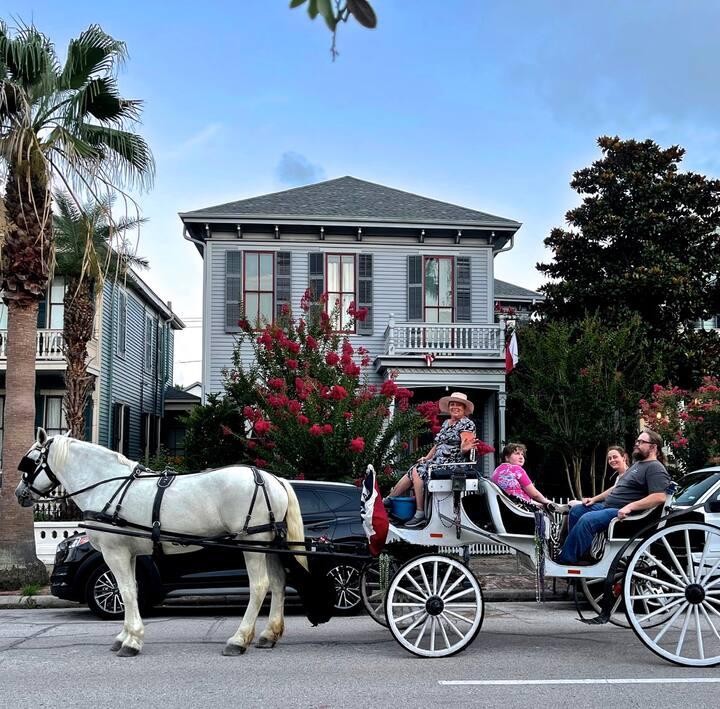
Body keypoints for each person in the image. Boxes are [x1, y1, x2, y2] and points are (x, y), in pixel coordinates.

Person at [556, 430, 671, 564]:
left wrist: (630, 507)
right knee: (577, 510)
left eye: (641, 442)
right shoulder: (638, 465)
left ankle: (566, 561)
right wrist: (594, 499)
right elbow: (616, 488)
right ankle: (583, 556)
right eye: (637, 441)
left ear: (653, 447)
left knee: (587, 520)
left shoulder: (655, 468)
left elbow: (659, 497)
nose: (636, 444)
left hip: (624, 513)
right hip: (608, 507)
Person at [385, 391, 477, 528]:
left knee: (417, 471)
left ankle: (419, 513)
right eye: (452, 404)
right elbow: (438, 444)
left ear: (464, 408)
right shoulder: (446, 423)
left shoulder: (467, 424)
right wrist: (427, 457)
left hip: (452, 463)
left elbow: (465, 446)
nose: (455, 407)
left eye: (458, 405)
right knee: (414, 469)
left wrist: (465, 448)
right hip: (438, 462)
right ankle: (389, 500)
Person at [491, 442, 553, 508]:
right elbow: (534, 494)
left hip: (503, 506)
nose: (521, 457)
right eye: (517, 453)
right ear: (507, 458)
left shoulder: (496, 471)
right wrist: (547, 501)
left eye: (522, 454)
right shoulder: (516, 469)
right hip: (519, 507)